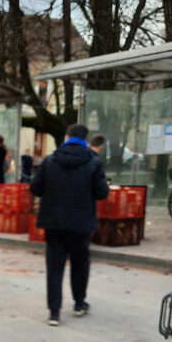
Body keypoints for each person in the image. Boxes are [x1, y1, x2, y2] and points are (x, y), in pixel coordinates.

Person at [29, 124, 110, 326]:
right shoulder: (93, 162)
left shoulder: (50, 161)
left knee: (54, 267)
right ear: (86, 140)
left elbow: (35, 188)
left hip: (54, 223)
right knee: (80, 264)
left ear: (66, 137)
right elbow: (101, 193)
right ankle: (79, 303)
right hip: (81, 225)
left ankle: (54, 313)